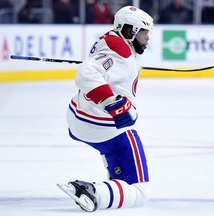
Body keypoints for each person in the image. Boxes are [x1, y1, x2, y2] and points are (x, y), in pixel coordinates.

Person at [57, 6, 154, 212]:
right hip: (104, 128)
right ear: (130, 31)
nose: (147, 39)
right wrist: (114, 105)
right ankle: (93, 192)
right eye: (144, 34)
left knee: (122, 174)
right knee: (139, 191)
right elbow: (86, 75)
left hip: (78, 119)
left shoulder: (112, 39)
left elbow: (111, 64)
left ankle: (113, 181)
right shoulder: (119, 51)